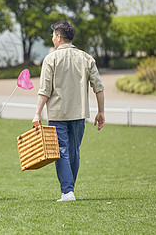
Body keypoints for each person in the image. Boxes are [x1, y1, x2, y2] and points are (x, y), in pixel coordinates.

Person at [32, 21, 105, 202]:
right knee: (74, 151)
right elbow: (99, 87)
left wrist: (37, 113)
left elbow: (44, 90)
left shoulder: (51, 59)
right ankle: (69, 190)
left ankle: (67, 191)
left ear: (59, 37)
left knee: (62, 152)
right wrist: (101, 112)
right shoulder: (87, 58)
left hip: (57, 114)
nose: (52, 39)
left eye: (53, 36)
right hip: (79, 113)